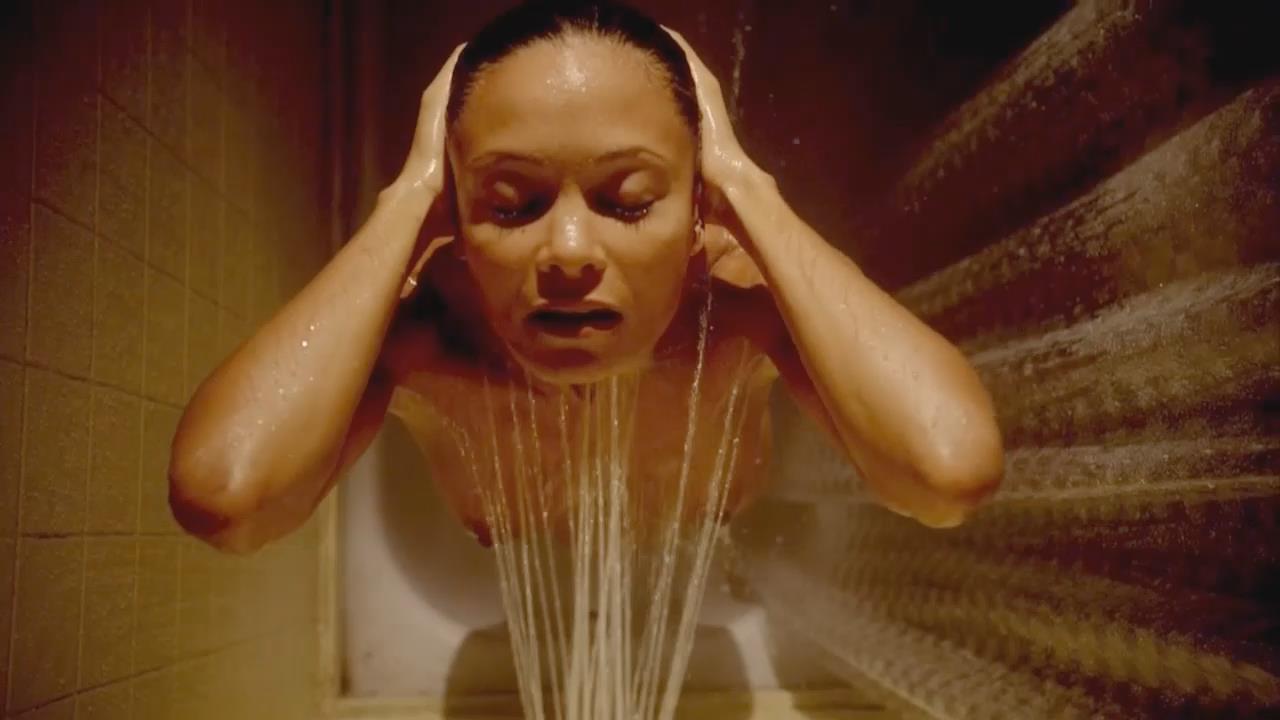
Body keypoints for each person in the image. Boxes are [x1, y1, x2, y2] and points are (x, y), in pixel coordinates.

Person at [168, 0, 1003, 554]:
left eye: (629, 200)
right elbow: (226, 502)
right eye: (510, 204)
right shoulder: (428, 333)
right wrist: (409, 197)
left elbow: (948, 475)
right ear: (456, 214)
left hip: (709, 554)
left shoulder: (738, 307)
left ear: (698, 206)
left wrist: (747, 187)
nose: (569, 250)